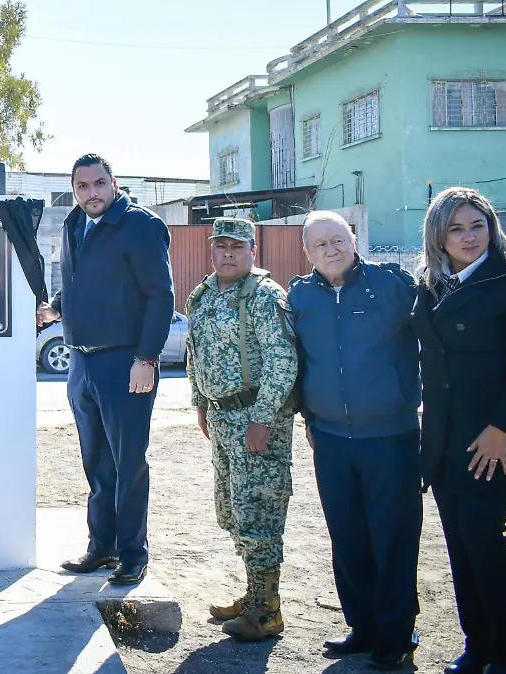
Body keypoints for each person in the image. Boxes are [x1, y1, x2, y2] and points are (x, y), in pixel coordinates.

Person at [411, 187, 506, 674]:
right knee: (459, 544)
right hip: (446, 438)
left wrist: (500, 428)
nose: (470, 237)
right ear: (438, 236)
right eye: (457, 228)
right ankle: (479, 646)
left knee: (482, 539)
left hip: (495, 439)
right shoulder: (429, 285)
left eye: (478, 225)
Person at [288, 211, 421, 670]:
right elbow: (298, 363)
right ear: (306, 252)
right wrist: (308, 416)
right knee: (347, 537)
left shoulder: (392, 286)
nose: (331, 248)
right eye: (320, 243)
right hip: (330, 439)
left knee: (393, 537)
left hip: (391, 437)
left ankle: (396, 633)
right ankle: (363, 626)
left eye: (338, 239)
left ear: (353, 239)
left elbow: (434, 338)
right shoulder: (300, 297)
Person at [37, 154, 174, 587]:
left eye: (99, 184)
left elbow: (160, 296)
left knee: (128, 460)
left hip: (125, 362)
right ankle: (102, 547)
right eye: (82, 186)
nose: (91, 193)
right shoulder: (75, 223)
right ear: (74, 190)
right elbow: (81, 282)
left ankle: (133, 554)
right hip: (80, 361)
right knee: (96, 463)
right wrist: (55, 306)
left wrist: (146, 359)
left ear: (113, 183)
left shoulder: (141, 225)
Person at [184, 217, 297, 642]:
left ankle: (267, 611)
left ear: (253, 250)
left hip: (256, 420)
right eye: (221, 246)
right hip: (221, 417)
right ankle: (254, 595)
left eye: (237, 246)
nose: (227, 253)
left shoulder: (266, 296)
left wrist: (263, 418)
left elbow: (283, 361)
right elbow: (194, 353)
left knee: (259, 513)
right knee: (232, 512)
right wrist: (200, 403)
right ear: (212, 250)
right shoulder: (205, 294)